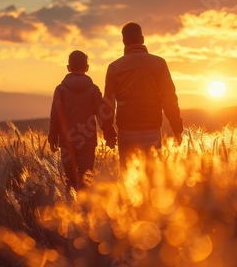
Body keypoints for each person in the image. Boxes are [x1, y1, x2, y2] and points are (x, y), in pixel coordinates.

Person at [103, 22, 183, 168]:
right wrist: (177, 127)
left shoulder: (114, 67)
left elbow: (108, 104)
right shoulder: (159, 63)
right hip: (151, 129)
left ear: (123, 42)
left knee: (129, 179)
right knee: (153, 178)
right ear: (143, 39)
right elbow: (169, 99)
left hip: (126, 131)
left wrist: (109, 134)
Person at [48, 50, 116, 191]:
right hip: (88, 142)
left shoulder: (60, 90)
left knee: (71, 182)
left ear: (68, 67)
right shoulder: (93, 90)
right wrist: (109, 134)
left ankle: (70, 210)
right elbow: (101, 115)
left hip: (67, 142)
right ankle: (85, 210)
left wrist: (52, 136)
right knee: (85, 181)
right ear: (87, 68)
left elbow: (55, 116)